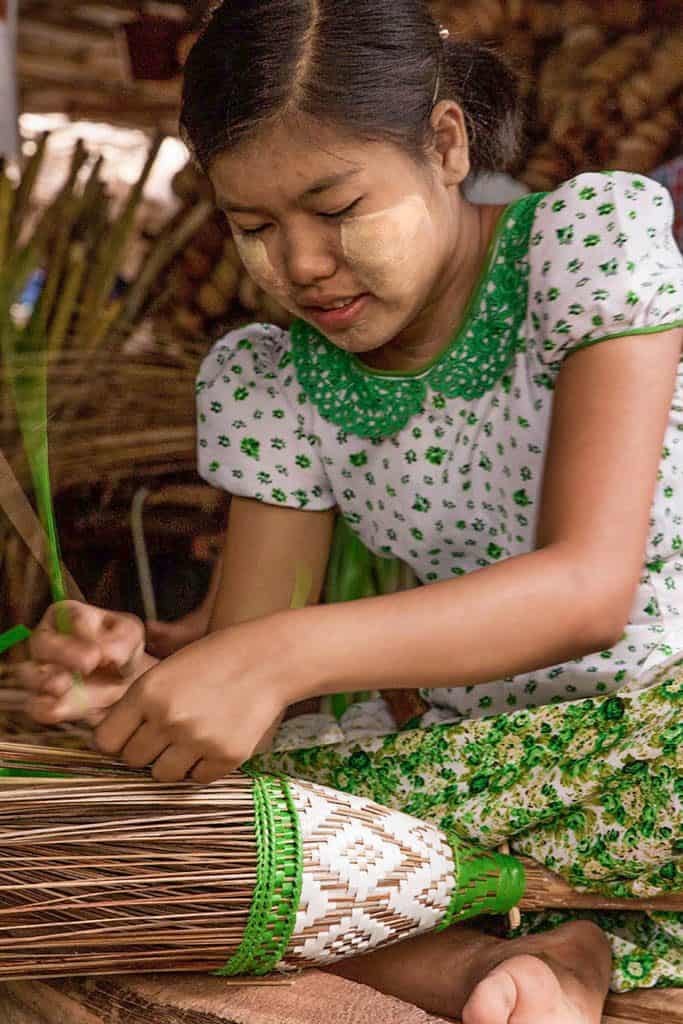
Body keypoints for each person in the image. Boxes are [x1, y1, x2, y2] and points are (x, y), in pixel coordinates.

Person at [15, 1, 683, 1021]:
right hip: (466, 771)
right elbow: (247, 686)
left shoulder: (582, 246)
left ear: (446, 144)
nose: (302, 263)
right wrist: (143, 686)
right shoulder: (268, 380)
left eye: (334, 207)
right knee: (148, 832)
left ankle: (533, 940)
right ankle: (511, 960)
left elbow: (590, 590)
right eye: (252, 227)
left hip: (656, 725)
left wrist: (274, 658)